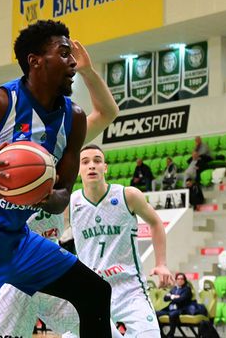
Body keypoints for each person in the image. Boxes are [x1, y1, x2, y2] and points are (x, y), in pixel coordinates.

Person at [0, 19, 113, 338]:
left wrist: (49, 196)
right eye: (63, 53)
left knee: (95, 292)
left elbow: (63, 192)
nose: (73, 62)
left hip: (19, 240)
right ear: (35, 61)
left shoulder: (72, 118)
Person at [0, 34, 120, 338]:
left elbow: (108, 113)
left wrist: (86, 72)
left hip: (50, 268)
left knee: (103, 325)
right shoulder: (7, 156)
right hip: (13, 273)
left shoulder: (62, 143)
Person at [68, 144, 174, 337]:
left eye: (97, 161)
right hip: (91, 292)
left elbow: (156, 223)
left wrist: (161, 264)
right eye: (85, 162)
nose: (92, 165)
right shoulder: (71, 203)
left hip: (129, 290)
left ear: (105, 167)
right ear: (78, 169)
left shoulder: (128, 195)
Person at [156, 273, 194, 338]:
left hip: (181, 309)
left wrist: (171, 297)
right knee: (156, 314)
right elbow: (165, 298)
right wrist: (173, 296)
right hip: (170, 309)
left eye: (182, 279)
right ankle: (161, 334)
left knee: (173, 314)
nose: (180, 280)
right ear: (176, 280)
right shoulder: (174, 289)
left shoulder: (187, 289)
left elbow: (181, 299)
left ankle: (171, 334)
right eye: (178, 279)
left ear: (184, 280)